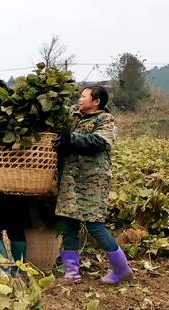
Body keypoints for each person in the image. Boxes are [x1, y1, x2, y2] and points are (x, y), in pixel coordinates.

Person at [55, 86, 133, 285]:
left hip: (92, 182)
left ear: (96, 101)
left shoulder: (105, 120)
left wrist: (69, 139)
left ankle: (121, 269)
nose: (79, 99)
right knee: (68, 224)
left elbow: (98, 142)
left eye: (83, 96)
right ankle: (71, 273)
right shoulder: (73, 117)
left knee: (95, 225)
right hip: (70, 180)